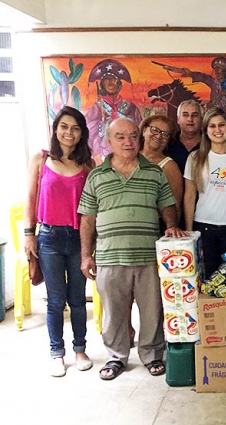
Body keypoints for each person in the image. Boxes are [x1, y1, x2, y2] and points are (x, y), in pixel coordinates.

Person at [78, 117, 185, 381]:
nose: (128, 141)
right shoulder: (96, 176)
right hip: (109, 256)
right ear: (109, 140)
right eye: (121, 136)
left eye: (133, 136)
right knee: (114, 312)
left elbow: (167, 205)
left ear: (139, 138)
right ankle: (116, 357)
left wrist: (171, 225)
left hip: (148, 255)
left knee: (152, 310)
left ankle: (151, 354)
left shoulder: (154, 172)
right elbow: (87, 219)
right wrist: (85, 256)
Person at [23, 106, 95, 377]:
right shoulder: (40, 159)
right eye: (64, 126)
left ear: (81, 133)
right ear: (55, 129)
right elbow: (30, 198)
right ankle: (57, 353)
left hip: (79, 238)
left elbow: (92, 207)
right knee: (55, 300)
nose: (69, 132)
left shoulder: (88, 164)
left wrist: (93, 243)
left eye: (75, 128)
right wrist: (29, 234)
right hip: (49, 237)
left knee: (77, 299)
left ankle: (80, 349)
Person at [183, 107, 226, 277]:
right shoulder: (195, 158)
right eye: (212, 126)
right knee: (207, 278)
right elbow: (189, 196)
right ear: (205, 131)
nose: (217, 130)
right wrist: (190, 232)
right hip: (203, 227)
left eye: (221, 125)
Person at [86, 59, 142, 164]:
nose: (110, 83)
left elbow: (139, 129)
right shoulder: (97, 107)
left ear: (119, 84)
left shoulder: (130, 107)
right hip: (103, 153)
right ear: (102, 84)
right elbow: (90, 131)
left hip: (129, 155)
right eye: (107, 80)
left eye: (113, 79)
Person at [139, 114, 183, 223]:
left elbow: (175, 207)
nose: (159, 136)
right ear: (144, 130)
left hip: (156, 228)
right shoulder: (129, 157)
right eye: (155, 130)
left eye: (165, 134)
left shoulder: (169, 166)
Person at [167, 100, 204, 175]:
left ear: (202, 120)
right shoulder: (167, 144)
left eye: (195, 115)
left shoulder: (211, 144)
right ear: (178, 119)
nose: (190, 119)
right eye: (185, 115)